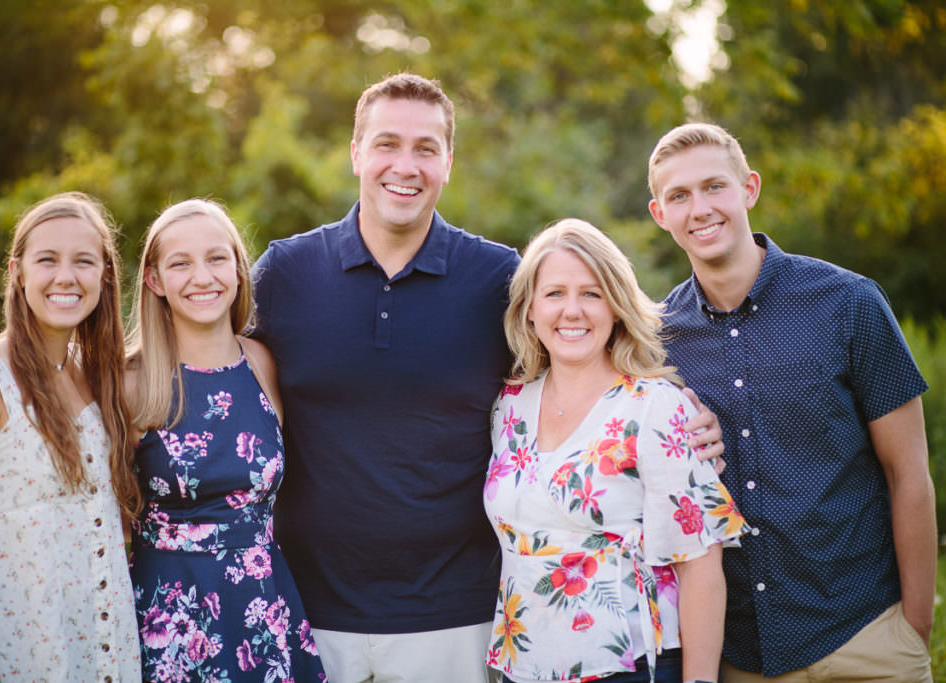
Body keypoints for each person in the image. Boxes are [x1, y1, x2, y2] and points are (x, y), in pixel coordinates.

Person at [250, 73, 726, 683]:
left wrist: (682, 412)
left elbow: (587, 357)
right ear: (355, 155)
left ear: (448, 162)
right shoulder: (285, 274)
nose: (406, 164)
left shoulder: (498, 279)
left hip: (459, 620)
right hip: (310, 612)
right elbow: (212, 366)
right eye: (387, 144)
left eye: (427, 148)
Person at [647, 122, 936, 682]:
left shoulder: (847, 303)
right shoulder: (657, 343)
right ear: (660, 214)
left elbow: (910, 474)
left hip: (865, 636)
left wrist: (913, 628)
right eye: (678, 196)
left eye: (715, 187)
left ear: (749, 189)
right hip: (740, 657)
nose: (700, 208)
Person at [484, 218, 745, 683]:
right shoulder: (509, 407)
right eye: (554, 293)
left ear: (617, 306)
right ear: (528, 309)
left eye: (591, 293)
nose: (572, 311)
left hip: (630, 666)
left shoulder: (656, 407)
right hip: (522, 668)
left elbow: (702, 566)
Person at [0, 192, 141, 682]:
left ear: (105, 274)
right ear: (18, 271)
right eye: (47, 259)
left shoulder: (102, 376)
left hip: (108, 651)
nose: (65, 276)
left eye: (83, 261)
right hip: (23, 655)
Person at [125, 199, 326, 682]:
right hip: (168, 615)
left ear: (238, 268)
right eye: (181, 263)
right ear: (154, 280)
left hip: (262, 603)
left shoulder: (260, 362)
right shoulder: (132, 381)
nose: (202, 277)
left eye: (217, 258)